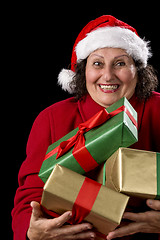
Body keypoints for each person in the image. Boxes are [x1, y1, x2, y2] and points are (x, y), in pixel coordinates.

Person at [12, 15, 160, 240]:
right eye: (97, 63)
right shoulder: (51, 118)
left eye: (120, 63)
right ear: (84, 71)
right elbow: (30, 196)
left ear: (138, 69)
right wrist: (31, 231)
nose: (108, 75)